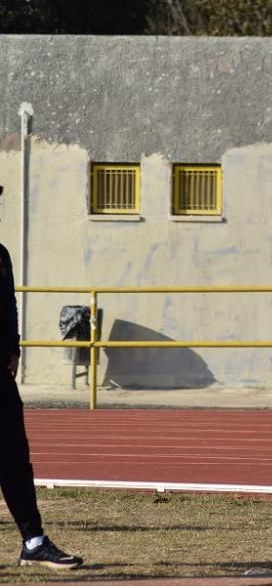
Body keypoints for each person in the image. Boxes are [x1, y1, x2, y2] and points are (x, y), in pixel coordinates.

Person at [0, 190, 84, 570]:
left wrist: (13, 347)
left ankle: (33, 541)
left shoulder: (0, 255)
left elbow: (9, 303)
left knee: (15, 456)